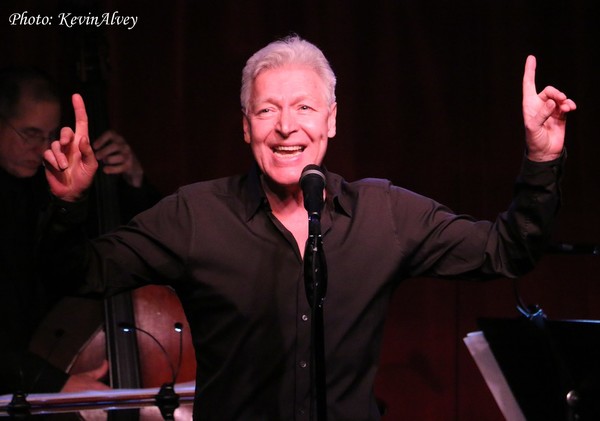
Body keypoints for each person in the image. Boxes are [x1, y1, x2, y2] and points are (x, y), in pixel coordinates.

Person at [41, 35, 576, 420]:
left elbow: (508, 251)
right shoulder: (195, 216)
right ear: (246, 125)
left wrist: (541, 160)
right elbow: (81, 271)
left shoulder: (384, 215)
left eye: (303, 107)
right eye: (267, 110)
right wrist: (70, 205)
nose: (286, 127)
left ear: (332, 120)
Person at [0, 66, 160, 395]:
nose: (41, 147)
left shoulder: (49, 186)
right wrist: (56, 382)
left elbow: (115, 251)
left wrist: (133, 181)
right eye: (30, 134)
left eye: (49, 135)